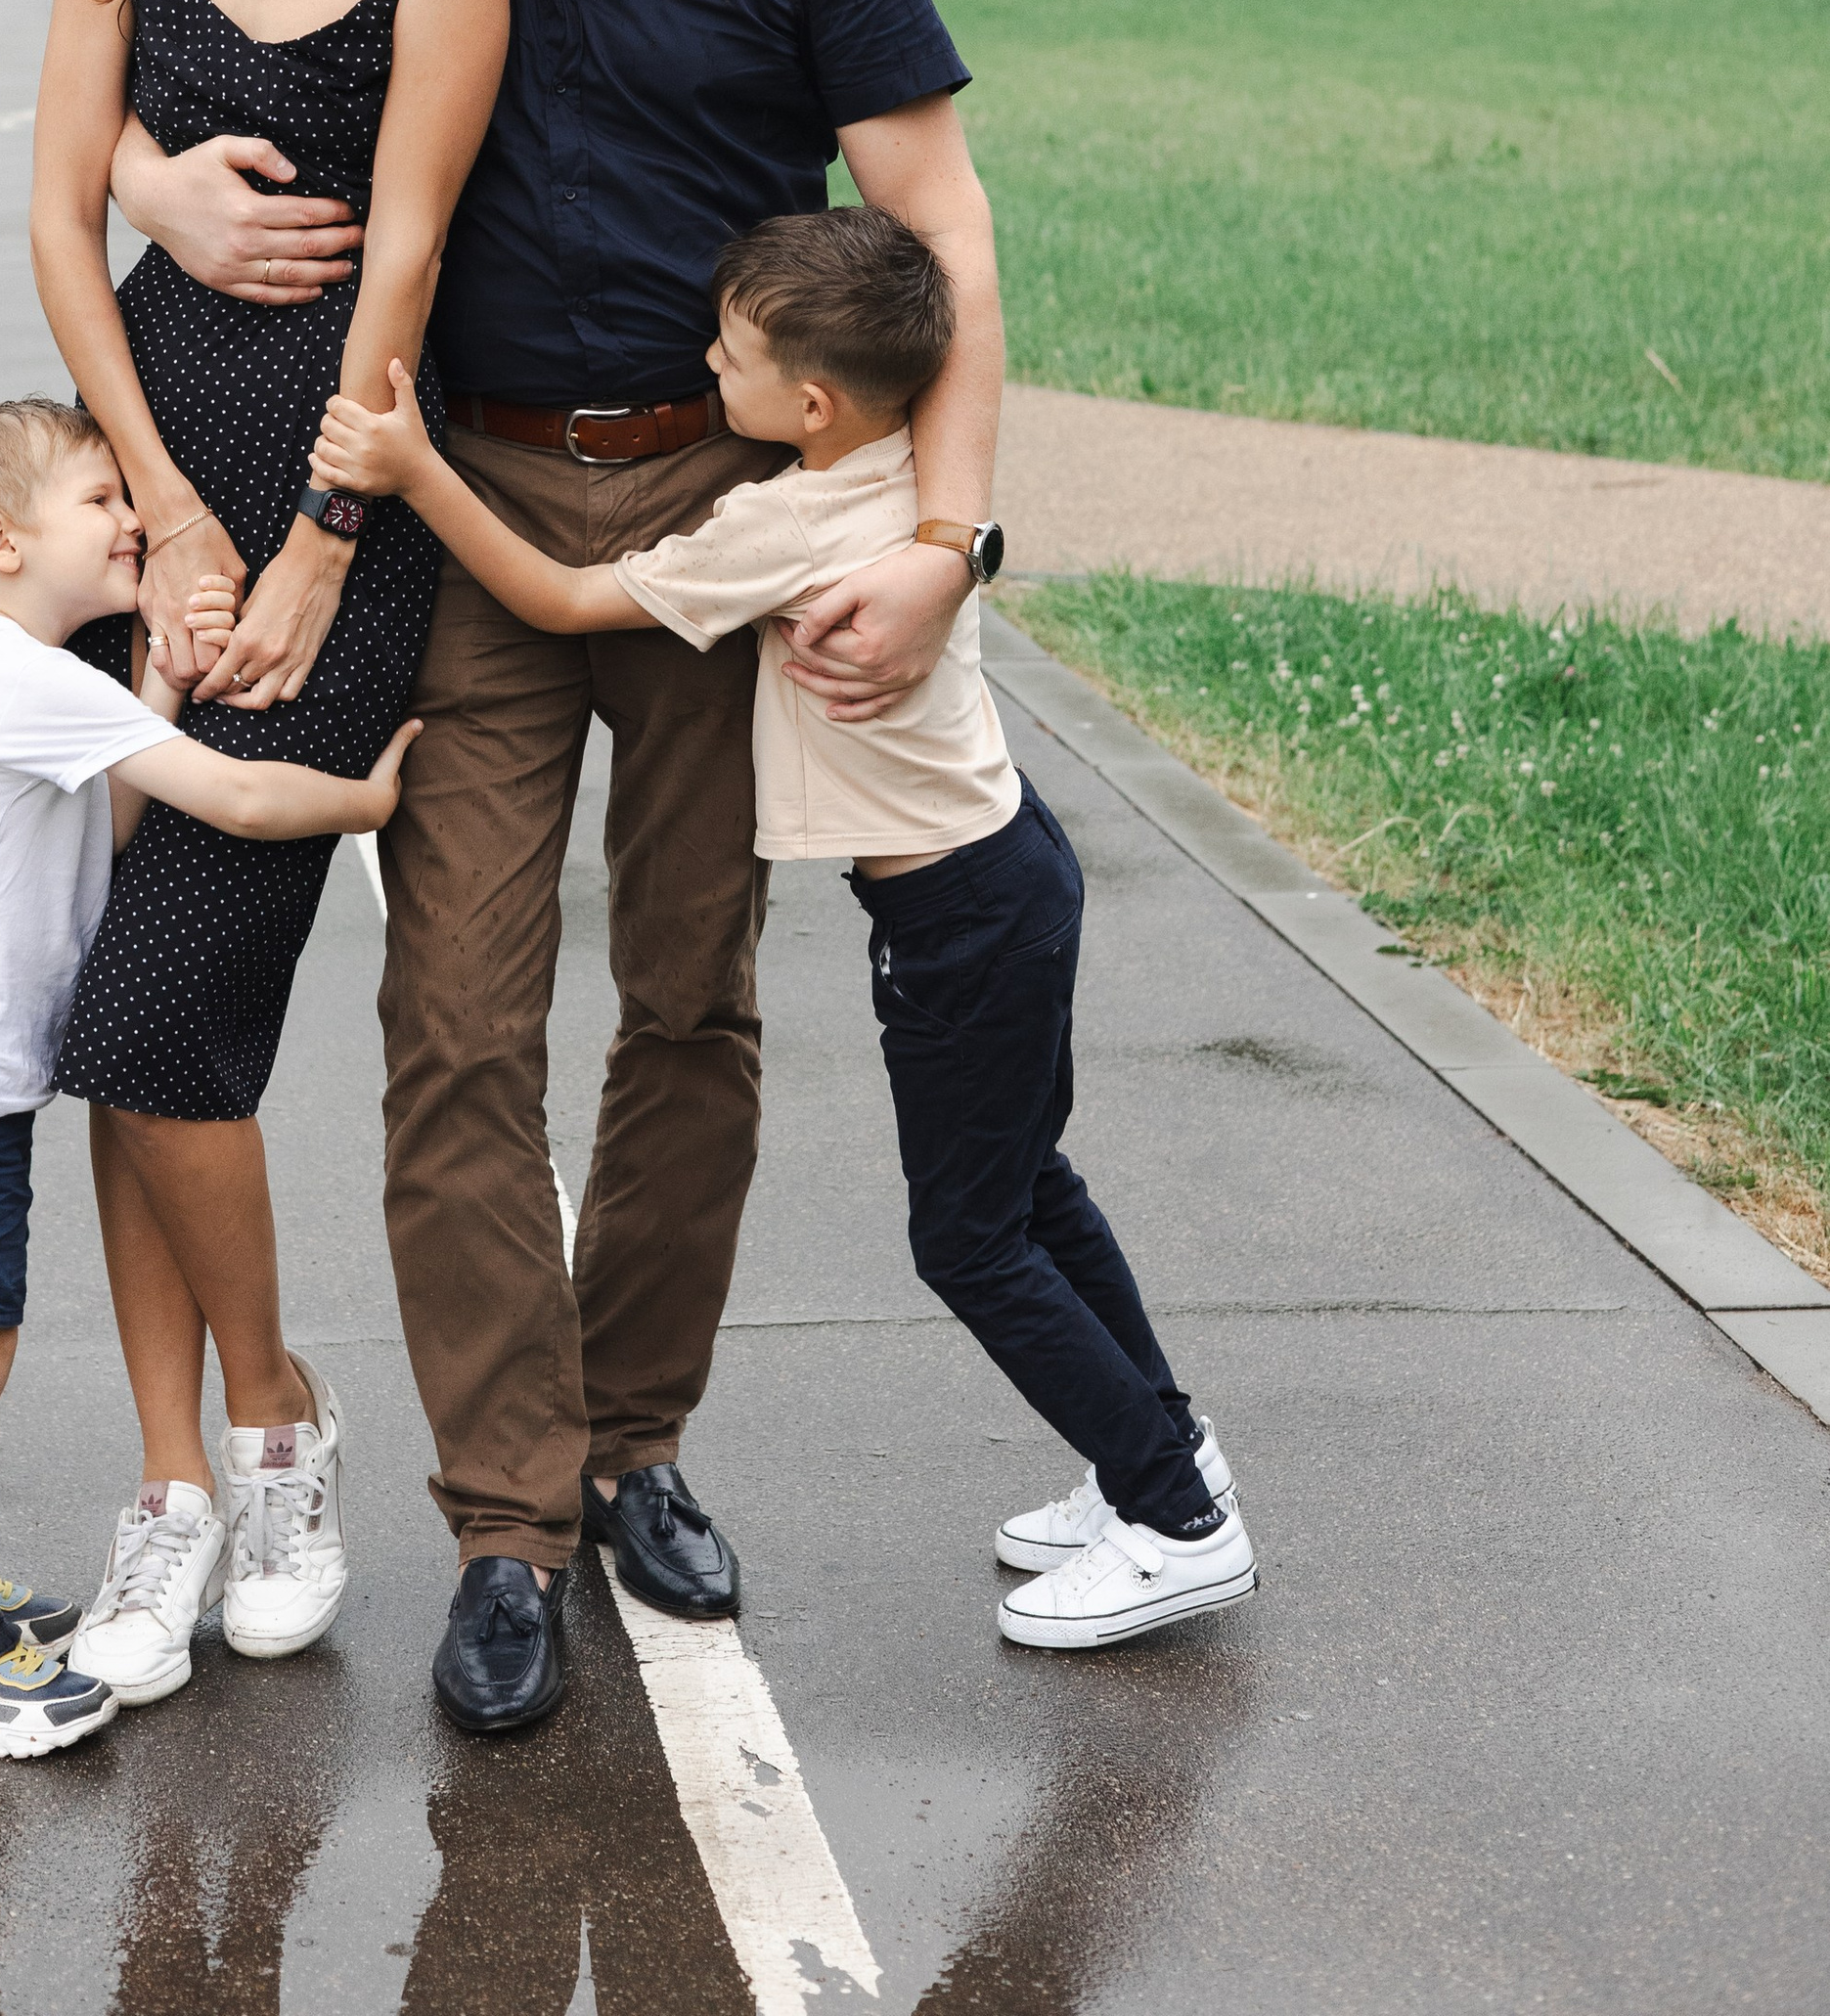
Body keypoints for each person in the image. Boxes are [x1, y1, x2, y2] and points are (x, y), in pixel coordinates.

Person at [109, 0, 1002, 1732]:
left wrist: (936, 540)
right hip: (463, 495)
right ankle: (504, 1522)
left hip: (722, 516)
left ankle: (634, 1447)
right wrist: (144, 177)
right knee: (455, 1025)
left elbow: (940, 226)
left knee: (691, 1002)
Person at [317, 210, 1257, 1656]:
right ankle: (1161, 1452)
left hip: (953, 919)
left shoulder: (785, 520)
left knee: (973, 1240)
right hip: (1015, 874)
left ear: (809, 404)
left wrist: (413, 467)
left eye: (730, 354)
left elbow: (563, 596)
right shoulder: (903, 480)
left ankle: (1178, 1521)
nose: (704, 364)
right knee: (1033, 1192)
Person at [29, 0, 509, 1704]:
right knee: (124, 1022)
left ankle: (281, 1420)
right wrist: (158, 516)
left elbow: (408, 243)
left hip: (342, 503)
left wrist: (314, 537)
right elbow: (61, 220)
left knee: (155, 1014)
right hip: (135, 504)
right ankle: (171, 1488)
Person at [0, 398, 414, 1755]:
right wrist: (367, 802)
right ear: (0, 541)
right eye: (100, 501)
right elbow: (240, 800)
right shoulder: (14, 677)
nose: (132, 519)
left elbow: (104, 824)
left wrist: (155, 686)